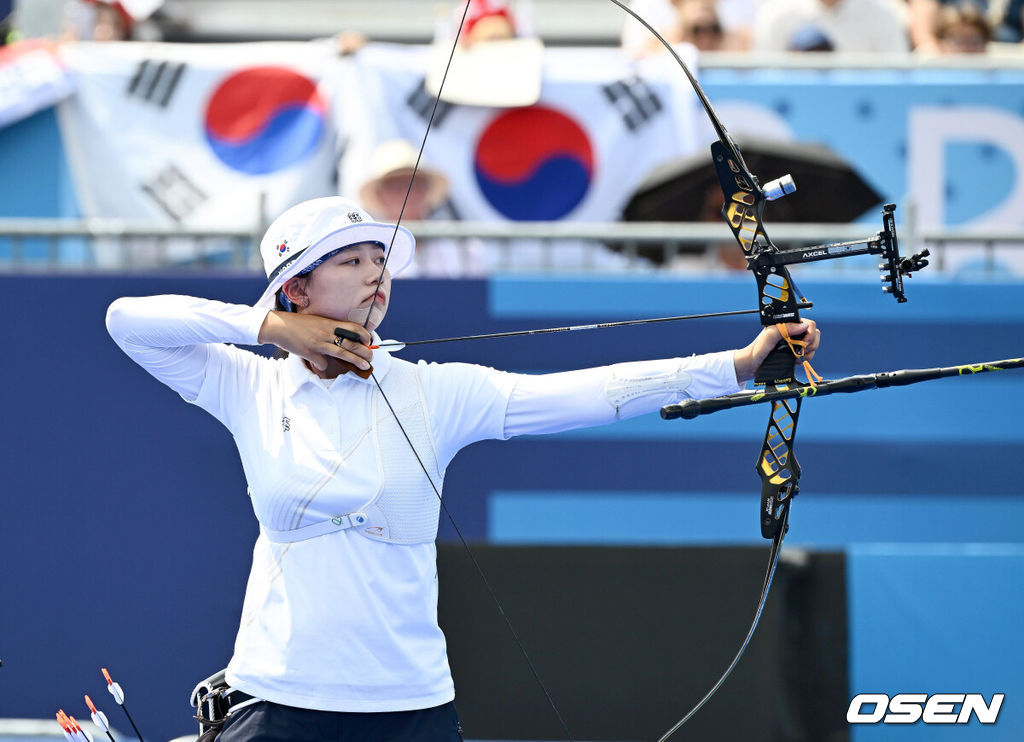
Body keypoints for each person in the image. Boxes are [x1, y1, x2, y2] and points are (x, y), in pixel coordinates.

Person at [105, 196, 820, 741]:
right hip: (278, 699)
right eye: (350, 261)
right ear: (297, 287)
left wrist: (736, 366)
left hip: (409, 705)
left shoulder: (436, 390)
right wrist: (267, 329)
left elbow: (586, 392)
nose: (376, 274)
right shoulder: (249, 385)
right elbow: (126, 319)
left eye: (378, 261)